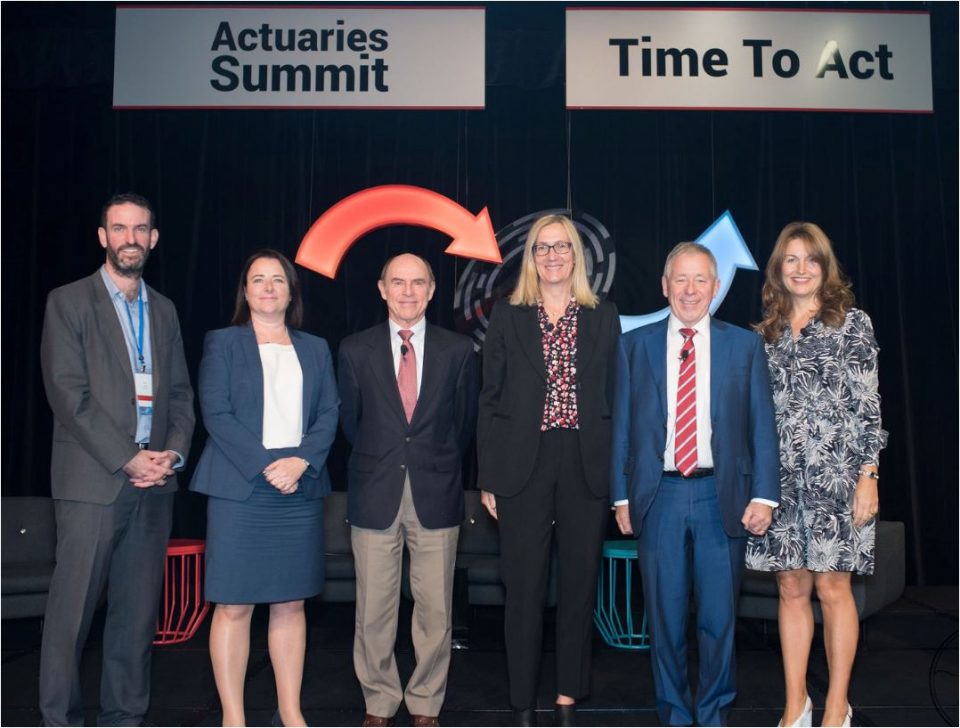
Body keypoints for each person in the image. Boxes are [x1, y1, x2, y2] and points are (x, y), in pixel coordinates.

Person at [38, 192, 195, 726]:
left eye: (141, 229)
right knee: (71, 618)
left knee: (134, 619)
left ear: (153, 238)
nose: (131, 238)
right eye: (120, 228)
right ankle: (59, 720)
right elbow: (68, 395)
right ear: (103, 236)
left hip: (155, 485)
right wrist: (130, 458)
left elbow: (179, 397)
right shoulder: (68, 301)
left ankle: (124, 719)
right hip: (93, 482)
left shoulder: (166, 310)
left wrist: (170, 454)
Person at [610, 241, 780, 726]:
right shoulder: (633, 345)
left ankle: (713, 713)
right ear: (664, 287)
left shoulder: (744, 346)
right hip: (657, 496)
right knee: (664, 620)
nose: (689, 289)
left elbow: (761, 426)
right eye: (679, 279)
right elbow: (620, 426)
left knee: (718, 620)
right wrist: (620, 495)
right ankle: (675, 715)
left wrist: (764, 495)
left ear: (716, 286)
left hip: (720, 496)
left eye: (700, 279)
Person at [477, 214, 621, 727]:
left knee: (580, 584)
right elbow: (490, 400)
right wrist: (488, 476)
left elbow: (616, 399)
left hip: (585, 463)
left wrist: (620, 477)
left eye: (562, 247)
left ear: (576, 257)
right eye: (542, 247)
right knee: (524, 587)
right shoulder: (508, 316)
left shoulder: (603, 316)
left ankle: (567, 694)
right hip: (522, 464)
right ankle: (523, 701)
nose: (553, 255)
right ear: (531, 258)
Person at [746, 222, 887, 728]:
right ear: (777, 270)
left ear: (825, 268)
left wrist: (868, 474)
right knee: (790, 589)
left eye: (811, 259)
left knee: (833, 589)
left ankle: (835, 706)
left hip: (838, 478)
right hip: (780, 481)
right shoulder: (765, 334)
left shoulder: (853, 324)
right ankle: (795, 704)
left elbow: (868, 407)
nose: (801, 268)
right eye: (791, 259)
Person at [190, 249, 339, 727]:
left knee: (290, 602)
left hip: (298, 489)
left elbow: (329, 414)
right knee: (233, 606)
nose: (269, 287)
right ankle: (234, 716)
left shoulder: (315, 347)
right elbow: (216, 414)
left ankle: (290, 712)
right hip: (241, 489)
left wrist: (299, 461)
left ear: (292, 291)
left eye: (279, 279)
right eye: (259, 279)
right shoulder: (223, 343)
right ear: (246, 291)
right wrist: (266, 465)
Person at [338, 253, 478, 728]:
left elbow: (463, 427)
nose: (408, 291)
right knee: (373, 610)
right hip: (374, 491)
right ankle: (378, 702)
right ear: (381, 288)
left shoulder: (458, 351)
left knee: (435, 610)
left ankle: (424, 703)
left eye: (418, 283)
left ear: (433, 290)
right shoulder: (354, 350)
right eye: (398, 282)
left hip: (436, 492)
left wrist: (427, 460)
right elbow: (351, 424)